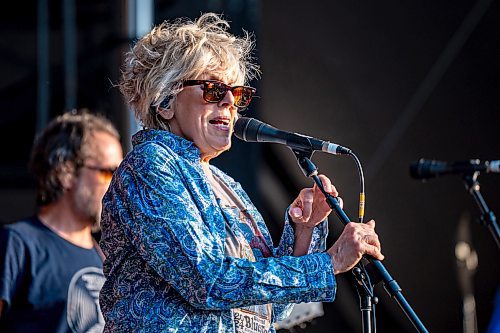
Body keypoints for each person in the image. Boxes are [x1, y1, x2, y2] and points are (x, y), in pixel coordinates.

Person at [99, 12, 384, 332]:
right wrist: (330, 263)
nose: (228, 104)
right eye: (212, 90)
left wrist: (303, 233)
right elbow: (207, 280)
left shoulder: (225, 184)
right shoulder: (151, 165)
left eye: (237, 95)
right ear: (165, 101)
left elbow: (269, 310)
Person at [0, 109, 123, 333]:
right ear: (65, 172)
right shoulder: (17, 243)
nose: (118, 185)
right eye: (108, 173)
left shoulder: (106, 257)